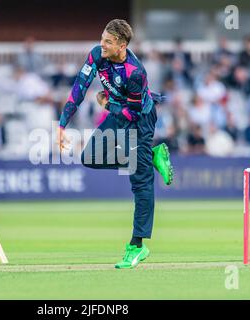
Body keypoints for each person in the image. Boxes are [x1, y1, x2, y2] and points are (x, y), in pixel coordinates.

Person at [56, 19, 173, 269]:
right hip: (119, 111)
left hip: (140, 118)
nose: (102, 44)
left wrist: (107, 104)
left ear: (122, 45)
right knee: (90, 157)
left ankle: (137, 247)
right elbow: (80, 86)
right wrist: (62, 123)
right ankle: (150, 157)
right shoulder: (97, 54)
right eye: (102, 39)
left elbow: (132, 113)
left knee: (140, 181)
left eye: (108, 42)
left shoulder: (135, 72)